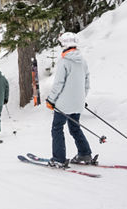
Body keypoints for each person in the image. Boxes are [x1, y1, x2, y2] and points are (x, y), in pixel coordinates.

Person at [46, 32, 92, 168]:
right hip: (78, 103)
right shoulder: (83, 61)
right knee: (75, 128)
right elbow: (87, 82)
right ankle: (84, 153)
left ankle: (58, 159)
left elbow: (59, 83)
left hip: (63, 104)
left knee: (57, 128)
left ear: (64, 44)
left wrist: (51, 100)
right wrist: (81, 97)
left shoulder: (65, 61)